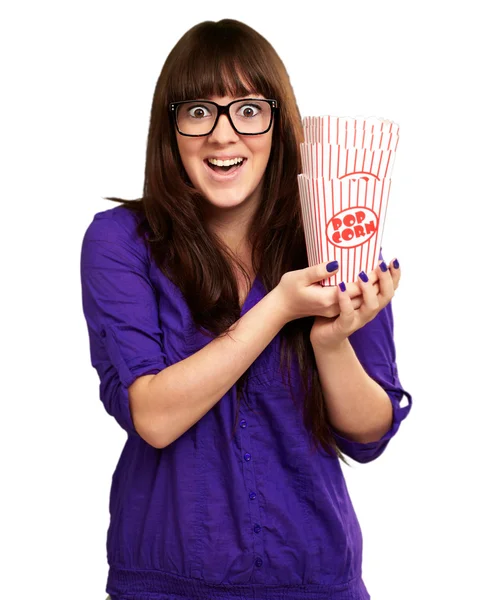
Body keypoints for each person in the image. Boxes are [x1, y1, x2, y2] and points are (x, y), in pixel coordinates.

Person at [80, 18, 412, 600]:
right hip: (168, 583)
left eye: (249, 110)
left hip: (317, 579)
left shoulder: (334, 241)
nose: (223, 135)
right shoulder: (120, 242)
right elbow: (155, 417)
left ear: (279, 125)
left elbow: (369, 434)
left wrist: (330, 342)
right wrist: (279, 307)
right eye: (199, 111)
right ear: (171, 127)